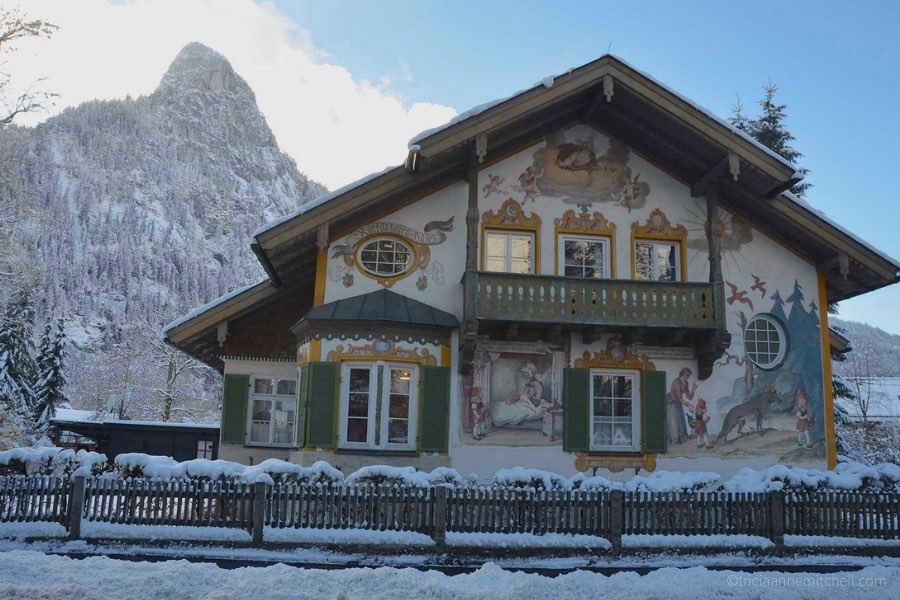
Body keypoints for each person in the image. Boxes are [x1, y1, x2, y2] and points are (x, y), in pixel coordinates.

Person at [667, 367, 697, 445]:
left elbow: (689, 397)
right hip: (672, 403)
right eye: (686, 375)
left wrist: (693, 390)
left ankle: (682, 438)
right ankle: (675, 440)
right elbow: (679, 397)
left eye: (688, 376)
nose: (687, 377)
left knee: (681, 420)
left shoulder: (686, 383)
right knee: (675, 421)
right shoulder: (676, 382)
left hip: (679, 403)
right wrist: (688, 405)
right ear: (683, 374)